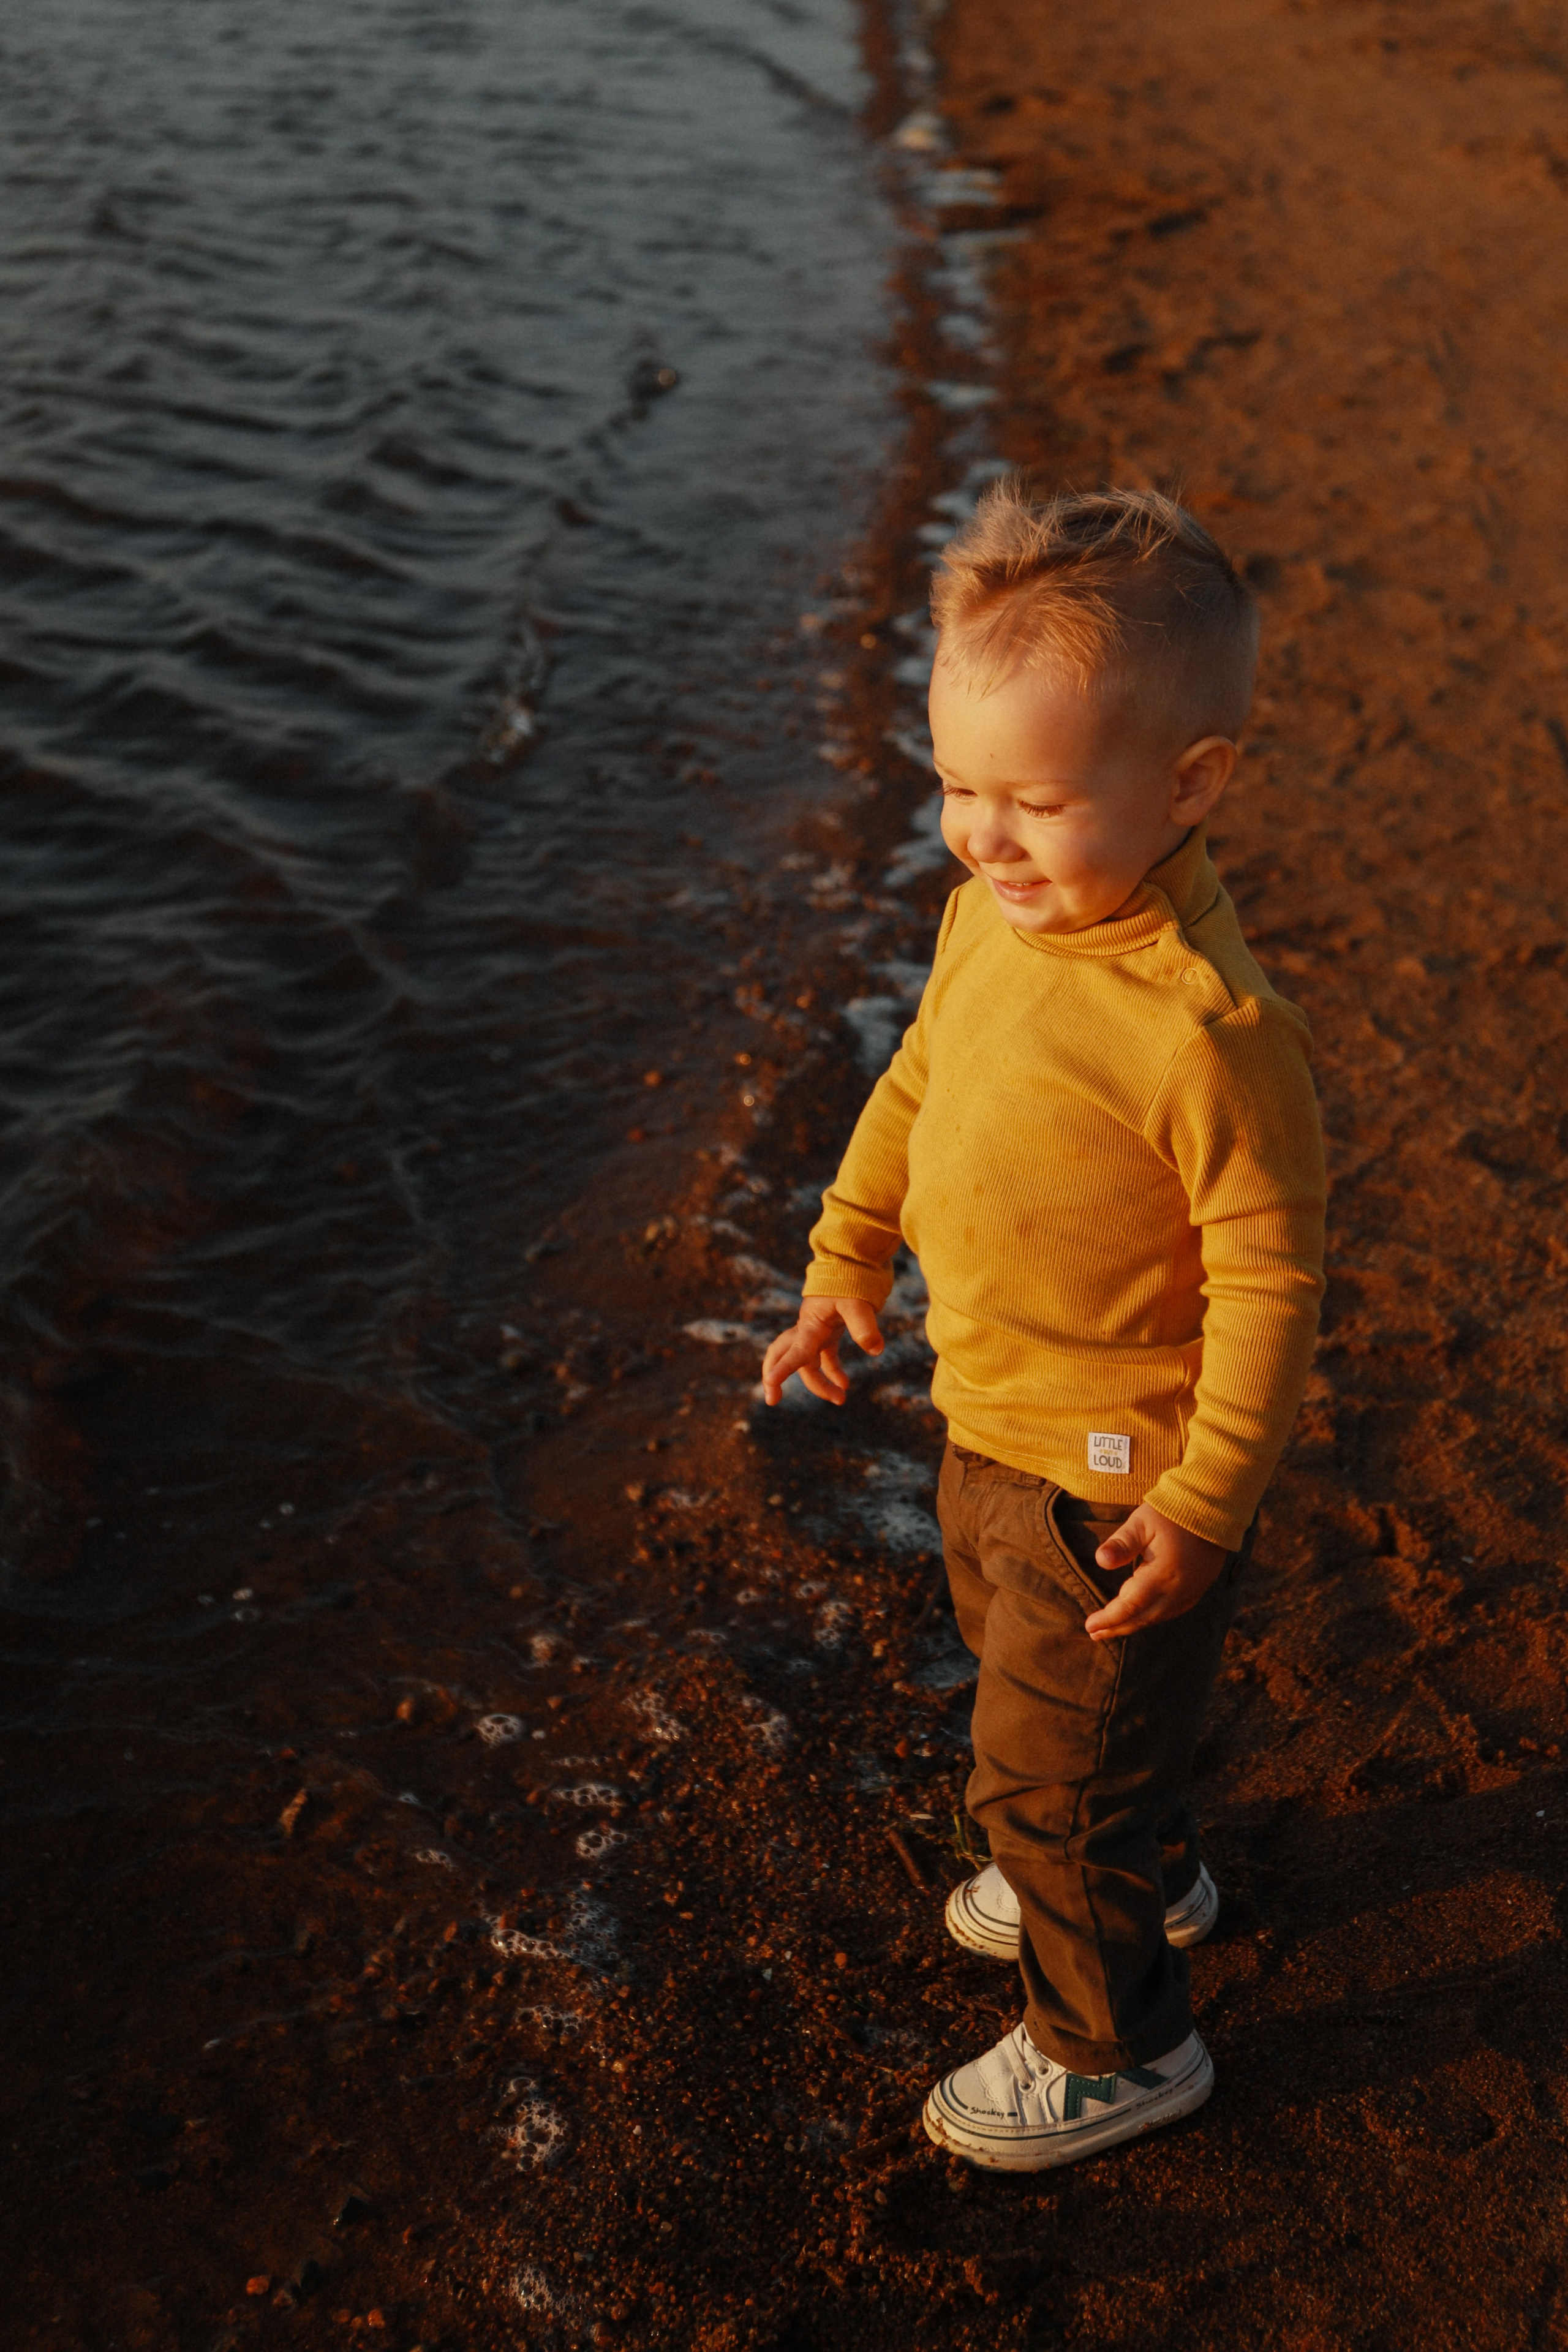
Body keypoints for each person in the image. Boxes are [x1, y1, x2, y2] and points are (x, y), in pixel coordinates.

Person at [760, 483, 1326, 2169]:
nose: (985, 839)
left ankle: (1116, 2046)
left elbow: (1271, 1287)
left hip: (1118, 1479)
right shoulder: (987, 924)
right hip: (991, 1416)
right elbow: (920, 1081)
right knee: (1049, 1702)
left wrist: (1208, 1500)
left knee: (1040, 1768)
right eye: (958, 788)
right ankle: (1134, 1852)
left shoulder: (1208, 1033)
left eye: (1040, 801)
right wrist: (847, 1252)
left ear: (1189, 785)